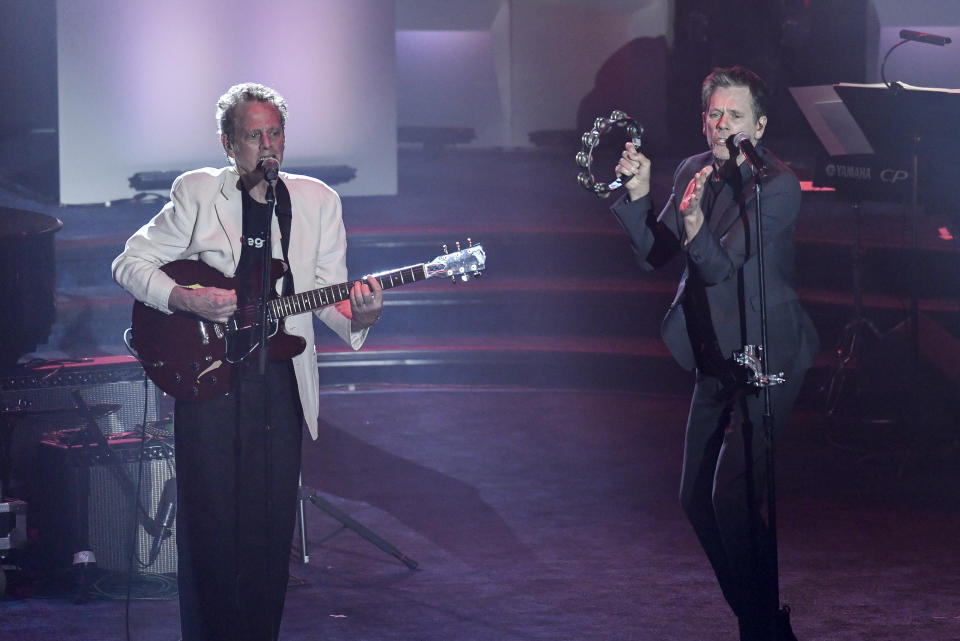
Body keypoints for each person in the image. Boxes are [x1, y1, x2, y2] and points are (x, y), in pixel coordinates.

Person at [112, 82, 383, 641]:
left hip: (278, 382)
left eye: (275, 133)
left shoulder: (316, 201)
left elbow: (329, 297)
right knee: (211, 524)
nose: (268, 146)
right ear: (228, 144)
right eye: (254, 135)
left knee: (268, 528)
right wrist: (185, 298)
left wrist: (362, 315)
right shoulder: (196, 193)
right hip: (209, 376)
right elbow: (131, 261)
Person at [609, 66, 818, 640]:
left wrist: (698, 226)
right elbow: (657, 254)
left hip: (768, 355)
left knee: (732, 501)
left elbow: (722, 267)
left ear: (761, 125)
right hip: (713, 352)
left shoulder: (777, 187)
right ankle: (762, 624)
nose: (721, 125)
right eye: (714, 114)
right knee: (694, 500)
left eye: (735, 116)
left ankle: (760, 628)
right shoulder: (690, 170)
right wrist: (639, 197)